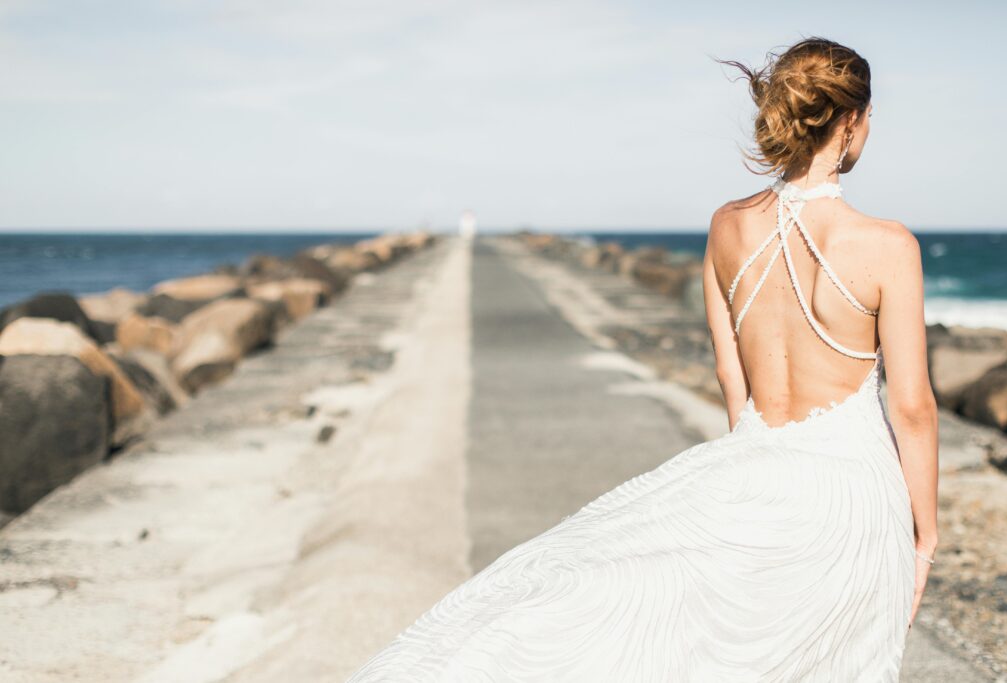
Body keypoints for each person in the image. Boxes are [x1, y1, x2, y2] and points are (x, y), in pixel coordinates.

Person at [347, 36, 939, 681]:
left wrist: (747, 467)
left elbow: (730, 375)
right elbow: (912, 408)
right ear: (851, 119)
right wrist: (925, 538)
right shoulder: (888, 245)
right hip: (848, 493)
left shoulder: (727, 225)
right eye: (870, 118)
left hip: (752, 457)